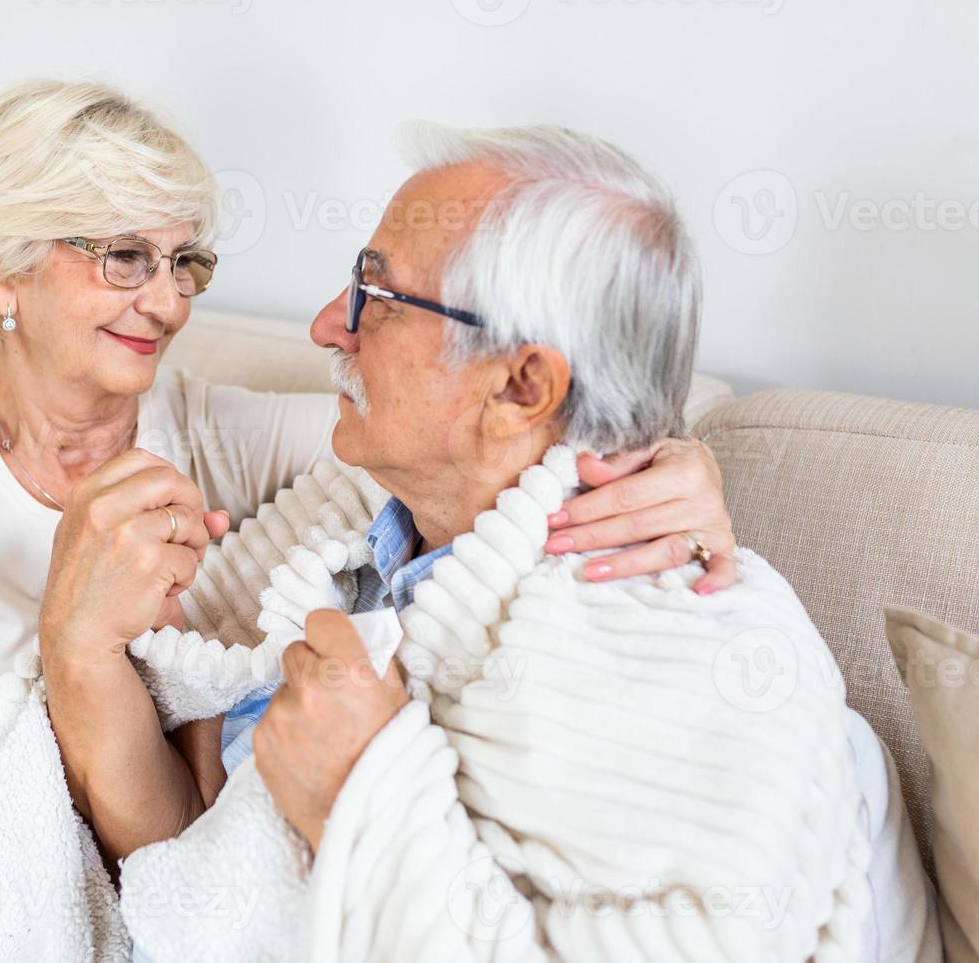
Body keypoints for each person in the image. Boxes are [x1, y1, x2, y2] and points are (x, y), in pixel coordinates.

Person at [0, 82, 736, 962]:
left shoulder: (202, 426)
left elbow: (459, 435)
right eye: (125, 255)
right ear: (0, 270)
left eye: (186, 259)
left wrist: (672, 458)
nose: (171, 299)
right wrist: (72, 639)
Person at [244, 123, 941, 961]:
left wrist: (363, 797)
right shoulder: (366, 509)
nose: (329, 326)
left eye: (379, 299)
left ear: (521, 385)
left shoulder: (679, 650)